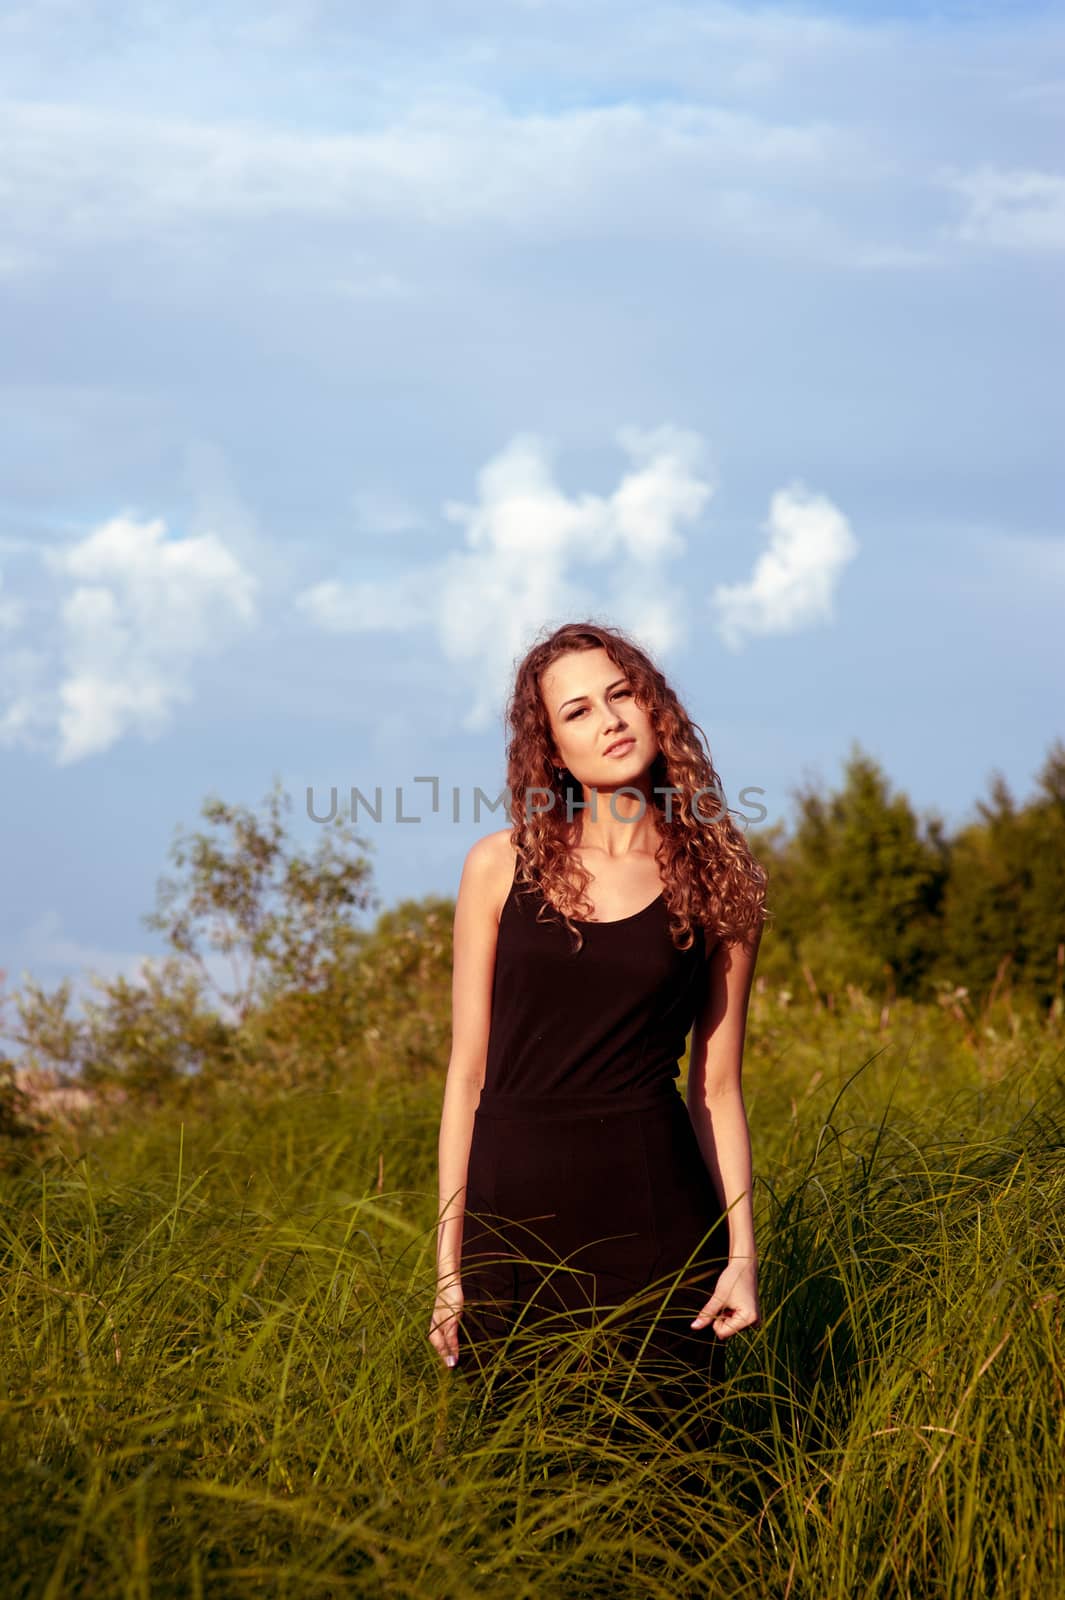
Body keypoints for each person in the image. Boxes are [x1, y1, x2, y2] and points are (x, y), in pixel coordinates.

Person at [429, 620, 766, 1459]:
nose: (609, 719)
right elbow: (466, 1075)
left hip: (654, 1219)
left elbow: (716, 1089)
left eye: (621, 694)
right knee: (517, 1489)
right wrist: (447, 1268)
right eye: (577, 711)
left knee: (665, 1483)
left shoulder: (722, 880)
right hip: (511, 1223)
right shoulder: (496, 866)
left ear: (654, 709)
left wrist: (742, 1253)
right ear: (550, 748)